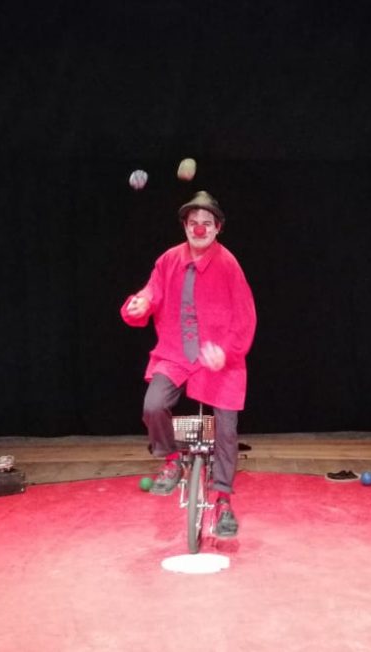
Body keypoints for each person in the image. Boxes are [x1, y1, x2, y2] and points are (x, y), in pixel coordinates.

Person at [120, 190, 257, 538]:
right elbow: (150, 293)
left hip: (219, 359)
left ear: (218, 228)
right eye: (193, 222)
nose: (199, 229)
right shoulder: (168, 259)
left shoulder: (229, 265)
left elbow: (245, 318)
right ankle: (172, 461)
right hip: (176, 354)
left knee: (226, 429)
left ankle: (223, 500)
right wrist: (139, 304)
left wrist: (227, 352)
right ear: (184, 225)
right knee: (153, 405)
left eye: (206, 223)